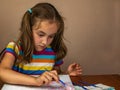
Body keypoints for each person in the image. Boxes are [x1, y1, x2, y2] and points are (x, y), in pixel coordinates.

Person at [0, 2, 82, 86]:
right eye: (41, 35)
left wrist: (66, 74)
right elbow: (2, 72)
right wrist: (35, 81)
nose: (45, 42)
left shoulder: (54, 51)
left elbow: (54, 75)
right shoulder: (15, 48)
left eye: (51, 36)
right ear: (29, 29)